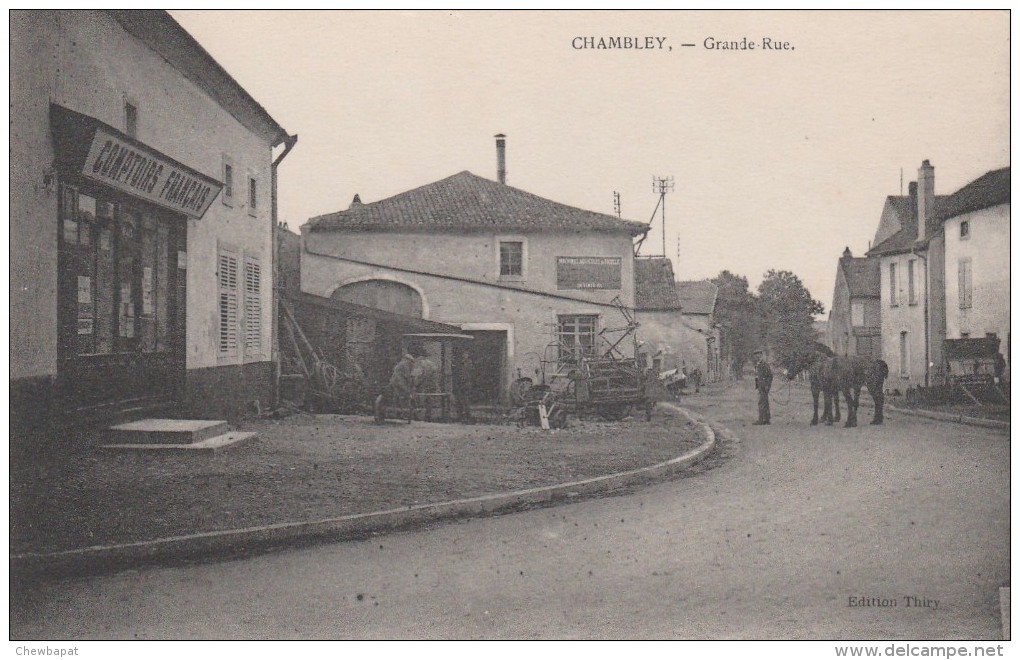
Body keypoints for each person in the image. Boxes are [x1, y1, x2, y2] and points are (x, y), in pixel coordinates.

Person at [753, 349, 772, 425]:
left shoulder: (764, 364)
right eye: (755, 355)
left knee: (761, 402)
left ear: (761, 355)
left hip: (764, 386)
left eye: (758, 354)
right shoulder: (757, 364)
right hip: (761, 386)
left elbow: (770, 376)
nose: (756, 356)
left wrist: (767, 385)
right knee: (765, 402)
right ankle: (767, 419)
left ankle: (761, 420)